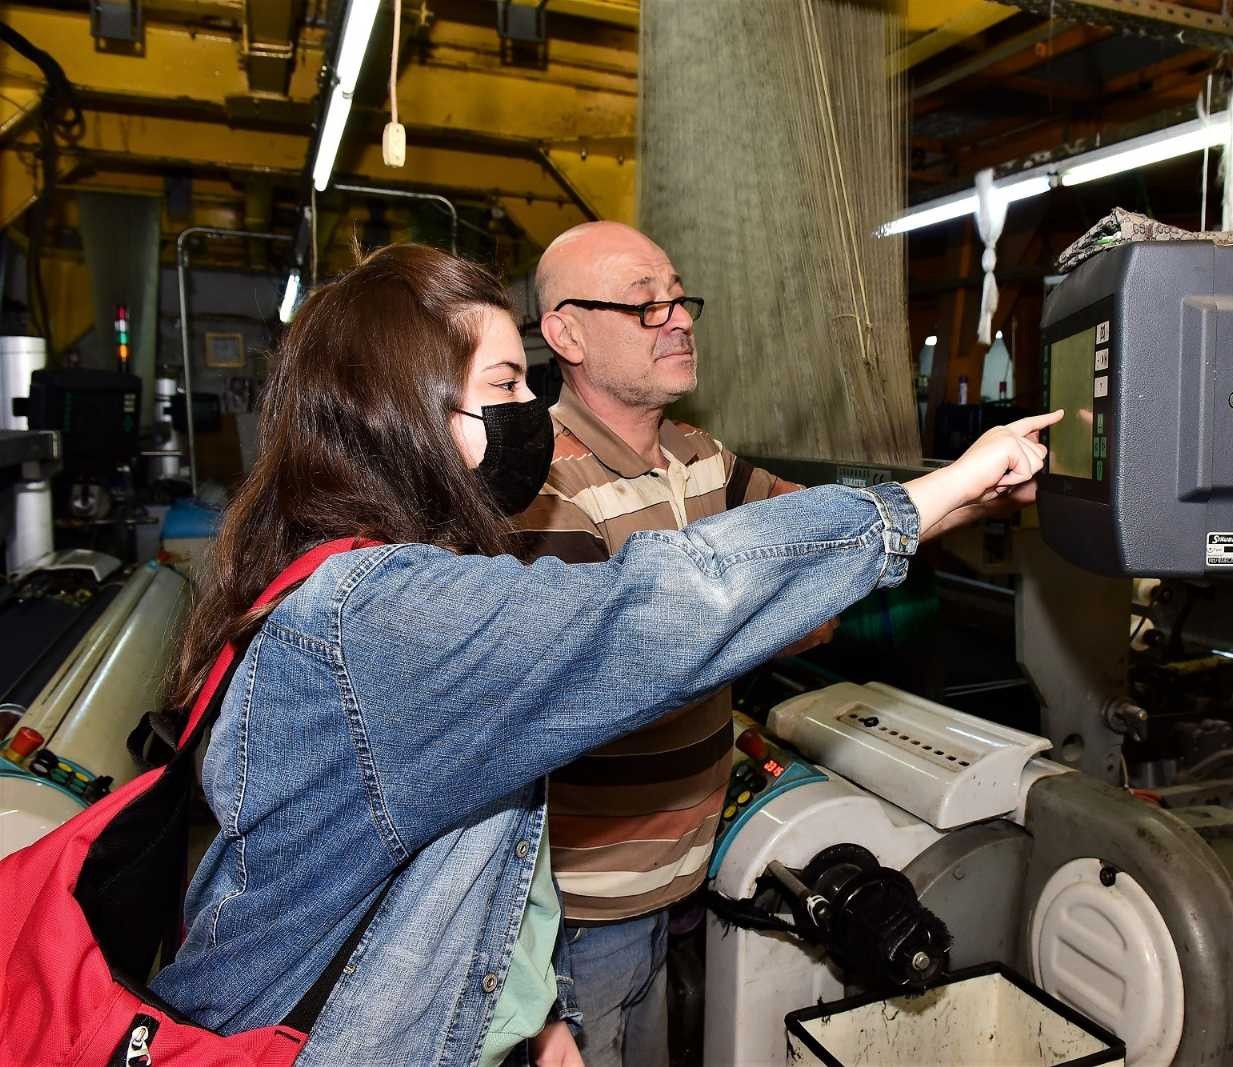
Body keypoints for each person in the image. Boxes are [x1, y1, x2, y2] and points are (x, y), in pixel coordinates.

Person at [146, 243, 1059, 1067]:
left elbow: (445, 848)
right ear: (407, 416)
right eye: (506, 383)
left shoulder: (375, 579)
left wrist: (531, 1010)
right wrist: (935, 490)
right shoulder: (389, 613)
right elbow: (652, 615)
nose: (527, 411)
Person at [521, 221, 1006, 1066]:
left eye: (680, 298)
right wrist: (774, 613)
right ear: (567, 333)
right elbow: (636, 668)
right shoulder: (546, 487)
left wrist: (984, 489)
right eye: (645, 303)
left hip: (680, 873)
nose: (678, 318)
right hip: (588, 905)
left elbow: (830, 542)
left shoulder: (698, 456)